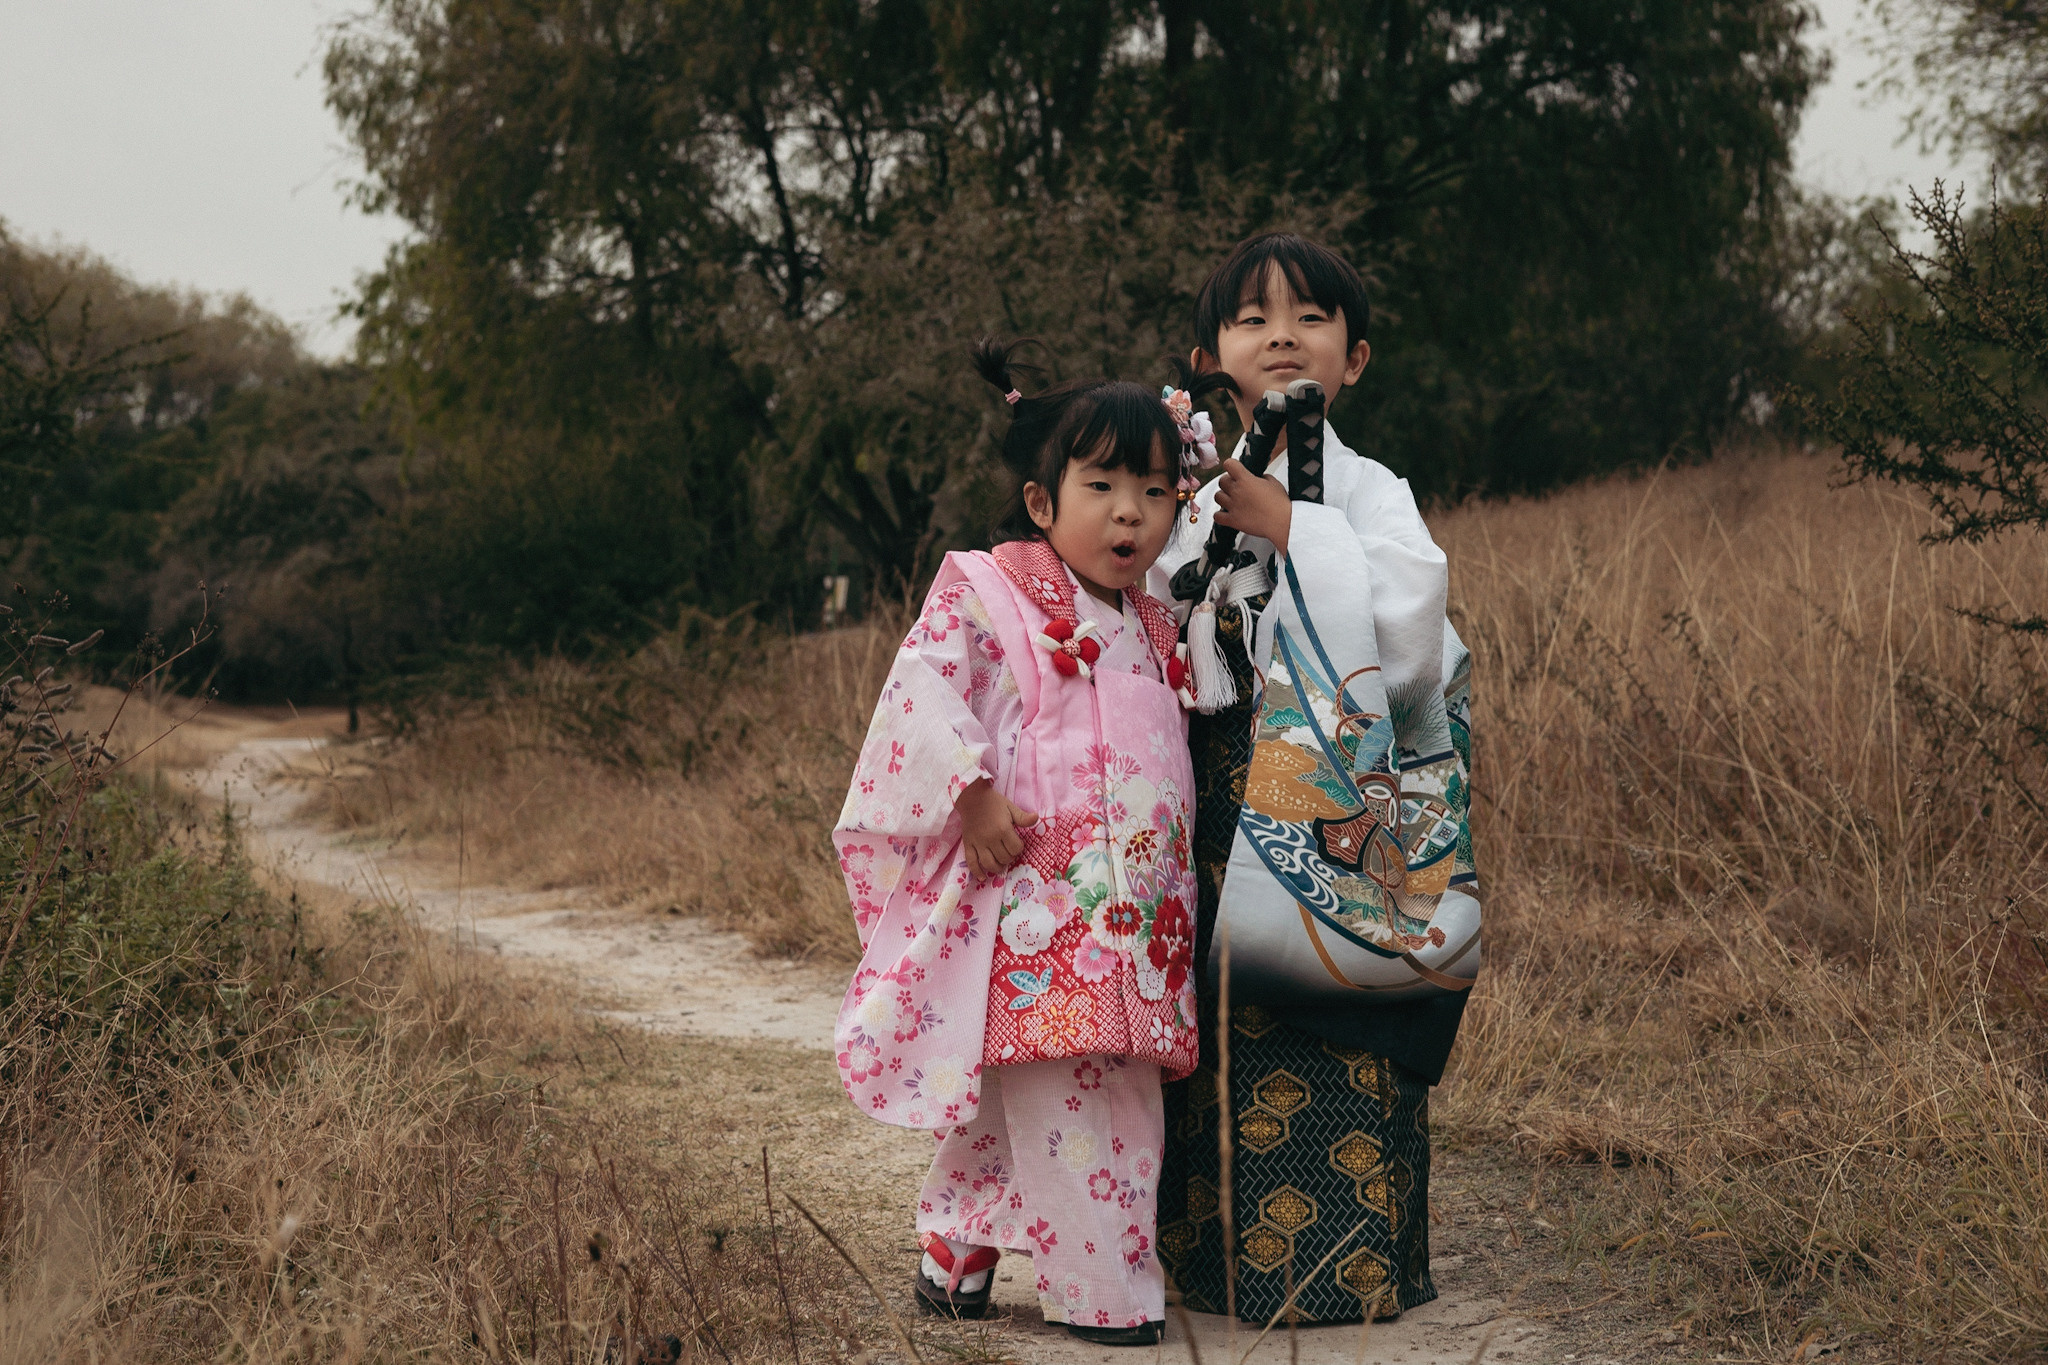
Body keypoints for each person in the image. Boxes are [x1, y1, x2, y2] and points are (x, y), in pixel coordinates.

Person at [832, 340, 1233, 1345]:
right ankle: (1107, 1292)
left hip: (1141, 918)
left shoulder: (1156, 626)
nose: (1129, 513)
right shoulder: (991, 589)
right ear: (1041, 501)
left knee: (1044, 1092)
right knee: (1079, 1094)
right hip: (1037, 906)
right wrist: (970, 792)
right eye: (1101, 486)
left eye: (1154, 490)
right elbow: (921, 690)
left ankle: (955, 1244)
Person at [1150, 232, 1480, 1326]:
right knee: (1219, 1006)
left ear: (1356, 358)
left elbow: (1412, 623)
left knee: (1342, 1007)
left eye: (1310, 317)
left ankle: (1353, 1265)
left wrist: (1292, 526)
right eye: (1251, 319)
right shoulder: (1186, 490)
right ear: (1209, 359)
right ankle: (1211, 1264)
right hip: (1215, 790)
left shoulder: (1374, 490)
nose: (1281, 335)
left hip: (1340, 806)